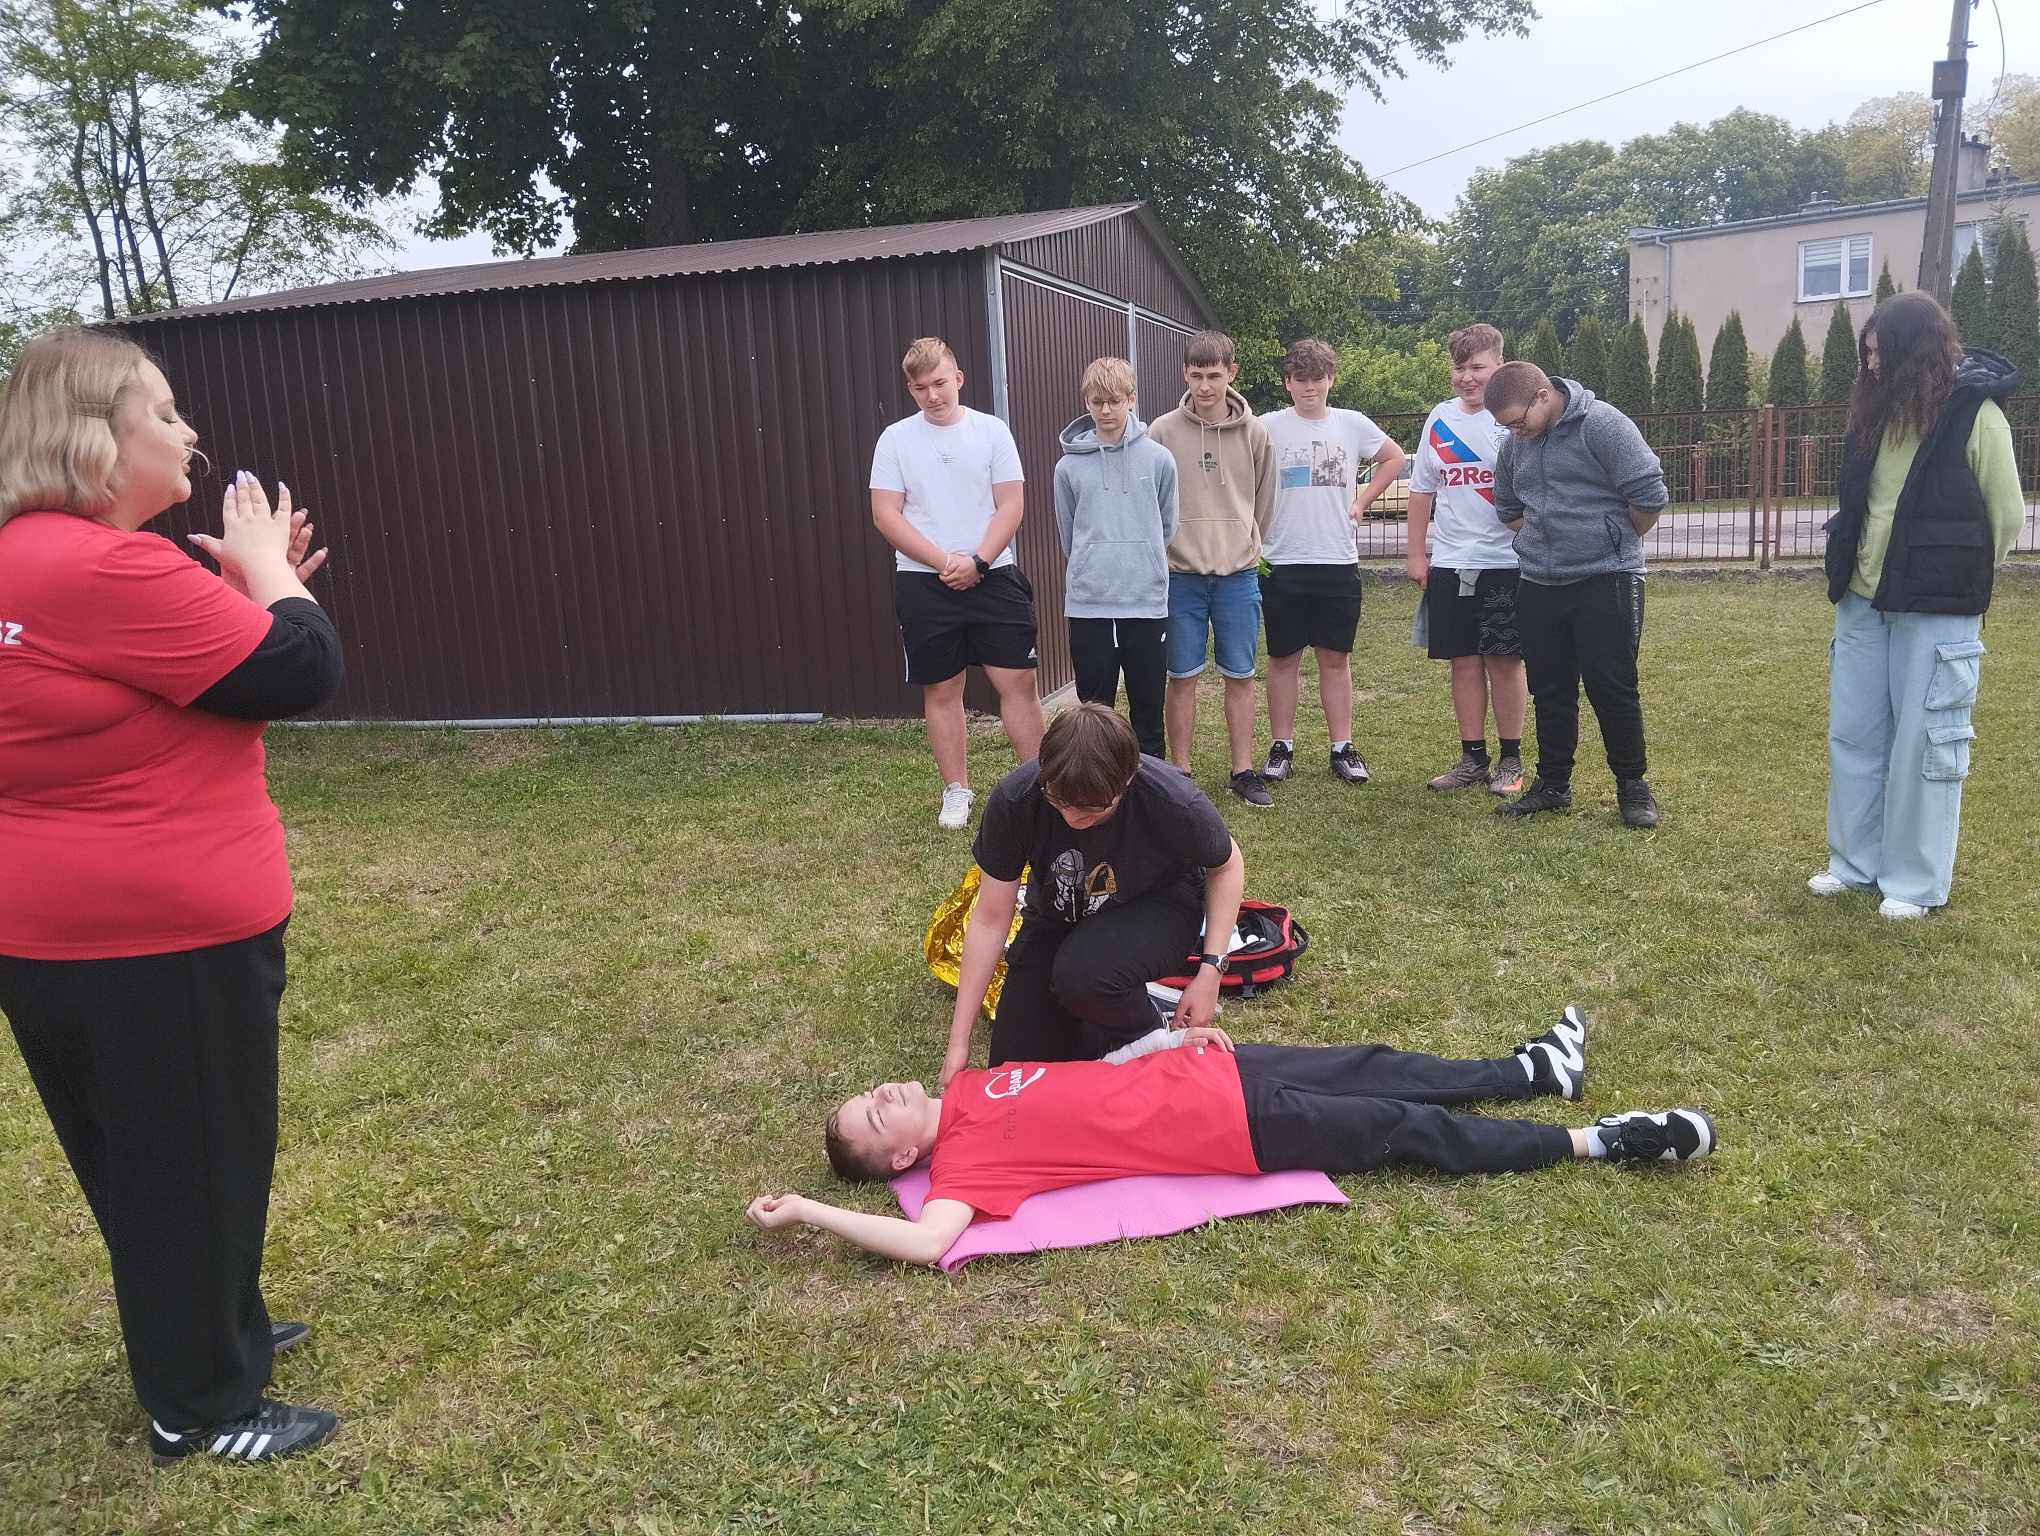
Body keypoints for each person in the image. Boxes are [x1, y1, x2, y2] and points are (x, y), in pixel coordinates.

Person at [0, 329, 345, 1464]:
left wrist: (247, 589)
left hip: (58, 931)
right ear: (94, 438)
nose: (186, 431)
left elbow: (188, 676)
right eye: (161, 412)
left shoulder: (31, 560)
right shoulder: (104, 568)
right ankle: (200, 1406)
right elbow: (298, 667)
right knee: (192, 1159)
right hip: (155, 935)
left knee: (151, 1156)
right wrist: (272, 573)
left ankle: (207, 1332)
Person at [747, 1008, 1716, 1266]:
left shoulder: (973, 1085)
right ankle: (1598, 1140)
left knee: (1380, 1066)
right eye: (875, 1115)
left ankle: (1534, 1070)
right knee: (1406, 1128)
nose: (881, 1093)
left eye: (868, 1095)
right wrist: (810, 1213)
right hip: (1236, 1128)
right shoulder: (965, 1163)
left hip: (1217, 1068)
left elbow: (1095, 1076)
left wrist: (1162, 1040)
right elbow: (927, 1243)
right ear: (903, 1159)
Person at [1811, 293, 2024, 918]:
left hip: (1936, 605)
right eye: (1867, 355)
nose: (1872, 365)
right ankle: (1854, 865)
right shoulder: (1872, 412)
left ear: (1915, 351)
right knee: (1854, 734)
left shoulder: (1976, 414)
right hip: (1862, 600)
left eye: (1882, 354)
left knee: (1926, 743)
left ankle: (1913, 883)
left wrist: (1954, 572)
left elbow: (2006, 514)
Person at [940, 703, 1243, 1089]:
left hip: (1160, 906)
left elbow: (1227, 865)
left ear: (1127, 780)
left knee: (1082, 974)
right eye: (1059, 802)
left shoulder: (1170, 798)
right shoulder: (1017, 799)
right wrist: (959, 1042)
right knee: (1014, 1071)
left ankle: (1151, 1033)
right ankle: (1104, 1019)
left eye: (1091, 810)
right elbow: (990, 918)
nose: (1072, 817)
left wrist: (1210, 971)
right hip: (1059, 917)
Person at [871, 336, 1045, 830]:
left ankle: (1041, 786)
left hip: (994, 574)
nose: (932, 395)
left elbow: (1011, 503)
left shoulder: (991, 431)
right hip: (923, 582)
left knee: (1018, 683)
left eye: (940, 383)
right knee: (943, 688)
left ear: (959, 379)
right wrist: (946, 561)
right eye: (920, 388)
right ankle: (956, 791)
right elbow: (886, 514)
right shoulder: (895, 439)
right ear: (910, 390)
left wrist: (979, 562)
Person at [1484, 361, 1668, 829]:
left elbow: (1649, 495)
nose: (1513, 433)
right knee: (1549, 688)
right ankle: (1553, 785)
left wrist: (1613, 540)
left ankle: (1633, 786)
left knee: (1613, 686)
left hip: (1607, 578)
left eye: (1517, 421)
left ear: (1543, 396)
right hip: (1539, 583)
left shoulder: (1604, 425)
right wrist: (1544, 542)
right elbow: (1508, 507)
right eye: (1506, 426)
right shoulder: (1515, 444)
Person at [1256, 338, 1405, 788]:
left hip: (1336, 560)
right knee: (1282, 658)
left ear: (1330, 380)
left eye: (1317, 378)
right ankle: (1281, 746)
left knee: (1334, 659)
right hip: (1281, 559)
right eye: (1300, 379)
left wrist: (1362, 500)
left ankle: (1342, 746)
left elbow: (1394, 457)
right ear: (1287, 383)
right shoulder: (1266, 426)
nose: (1310, 387)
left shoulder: (1351, 424)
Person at [1148, 331, 1277, 806]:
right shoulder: (1162, 431)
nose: (1205, 386)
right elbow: (1152, 499)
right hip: (1180, 576)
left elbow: (1265, 500)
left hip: (1237, 576)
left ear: (1232, 374)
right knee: (1181, 676)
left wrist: (1243, 540)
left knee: (1240, 675)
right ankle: (1179, 771)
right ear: (1185, 374)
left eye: (1215, 375)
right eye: (1197, 375)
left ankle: (1242, 770)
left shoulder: (1255, 432)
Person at [1406, 324, 1526, 796]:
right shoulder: (1439, 419)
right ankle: (1472, 759)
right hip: (1452, 562)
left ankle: (1511, 760)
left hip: (1506, 562)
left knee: (1504, 661)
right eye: (1460, 368)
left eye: (1478, 367)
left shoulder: (1512, 420)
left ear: (1500, 366)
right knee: (1463, 662)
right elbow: (1421, 490)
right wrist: (1417, 554)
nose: (1467, 377)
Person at [1054, 356, 1178, 758]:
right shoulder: (1067, 467)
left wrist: (1141, 557)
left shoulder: (1159, 459)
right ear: (1086, 403)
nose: (1105, 410)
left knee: (1148, 708)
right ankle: (1096, 783)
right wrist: (1093, 562)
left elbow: (1167, 525)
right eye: (1097, 402)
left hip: (1145, 602)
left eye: (1114, 401)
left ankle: (1150, 782)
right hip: (1090, 604)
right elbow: (1069, 533)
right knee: (1094, 711)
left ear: (1132, 399)